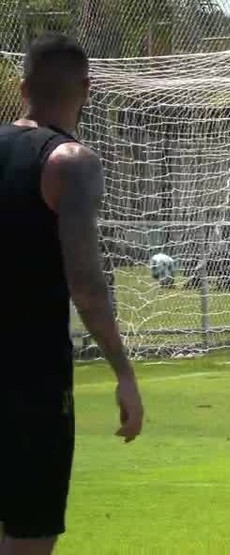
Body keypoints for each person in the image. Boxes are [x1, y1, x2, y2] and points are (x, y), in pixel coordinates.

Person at [1, 34, 144, 554]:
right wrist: (124, 374)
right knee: (29, 535)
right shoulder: (70, 161)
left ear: (22, 88)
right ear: (87, 87)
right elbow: (86, 283)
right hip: (30, 377)